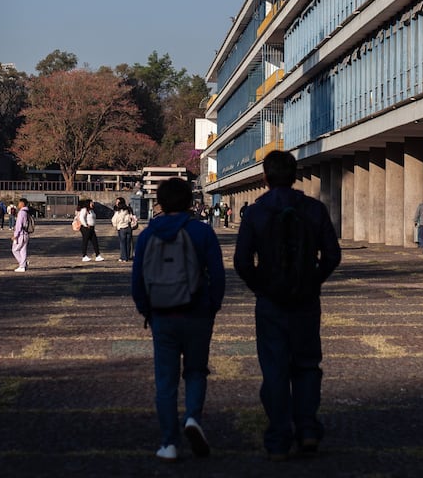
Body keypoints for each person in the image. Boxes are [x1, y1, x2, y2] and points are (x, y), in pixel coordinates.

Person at [233, 150, 341, 461]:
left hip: (271, 301)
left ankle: (279, 437)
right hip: (306, 300)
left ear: (264, 177)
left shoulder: (255, 213)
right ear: (295, 176)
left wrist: (260, 287)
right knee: (306, 365)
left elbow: (242, 261)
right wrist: (314, 281)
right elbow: (332, 255)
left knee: (275, 369)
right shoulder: (314, 209)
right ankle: (307, 429)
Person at [132, 177, 226, 462]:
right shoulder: (202, 232)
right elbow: (218, 275)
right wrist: (212, 307)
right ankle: (193, 418)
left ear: (160, 202)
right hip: (197, 313)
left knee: (166, 380)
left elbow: (138, 280)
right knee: (196, 371)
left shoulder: (148, 234)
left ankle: (169, 442)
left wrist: (147, 310)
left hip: (162, 314)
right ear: (189, 202)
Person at [111, 197, 135, 262]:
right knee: (128, 243)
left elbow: (114, 219)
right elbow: (133, 217)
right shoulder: (129, 209)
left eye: (117, 202)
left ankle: (123, 257)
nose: (116, 203)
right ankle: (128, 256)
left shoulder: (118, 211)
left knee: (122, 243)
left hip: (121, 228)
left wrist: (115, 225)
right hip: (129, 227)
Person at [11, 198, 31, 272]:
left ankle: (23, 264)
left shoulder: (21, 212)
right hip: (26, 233)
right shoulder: (26, 212)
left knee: (15, 250)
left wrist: (15, 235)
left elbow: (19, 225)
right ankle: (23, 265)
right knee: (23, 250)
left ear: (22, 204)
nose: (18, 204)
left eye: (19, 203)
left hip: (21, 234)